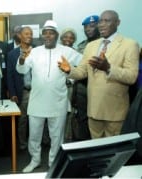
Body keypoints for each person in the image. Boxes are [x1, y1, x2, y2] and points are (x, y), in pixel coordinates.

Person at [58, 10, 140, 139]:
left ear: (117, 23)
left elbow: (132, 77)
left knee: (113, 151)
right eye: (100, 21)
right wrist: (69, 70)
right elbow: (82, 72)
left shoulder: (130, 45)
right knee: (96, 150)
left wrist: (108, 68)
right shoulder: (91, 46)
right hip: (93, 110)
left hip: (114, 111)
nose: (101, 24)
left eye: (107, 21)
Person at [16, 20, 82, 173]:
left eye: (51, 33)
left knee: (56, 136)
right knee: (34, 135)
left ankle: (53, 162)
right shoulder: (35, 51)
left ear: (56, 35)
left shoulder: (66, 51)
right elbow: (21, 70)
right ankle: (35, 160)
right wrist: (21, 59)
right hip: (37, 101)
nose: (47, 36)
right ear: (42, 35)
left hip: (57, 101)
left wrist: (71, 75)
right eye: (45, 33)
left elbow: (83, 63)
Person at [71, 15, 101, 141]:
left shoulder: (105, 44)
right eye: (86, 27)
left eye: (92, 26)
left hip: (98, 88)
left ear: (99, 26)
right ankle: (85, 147)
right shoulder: (81, 45)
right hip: (82, 87)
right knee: (82, 119)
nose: (88, 29)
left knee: (98, 119)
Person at [7, 26, 33, 150]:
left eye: (31, 34)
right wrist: (12, 93)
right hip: (22, 92)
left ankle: (40, 141)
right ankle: (22, 143)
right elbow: (10, 75)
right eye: (26, 34)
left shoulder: (37, 51)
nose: (29, 36)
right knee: (22, 120)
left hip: (37, 91)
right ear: (20, 36)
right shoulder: (12, 54)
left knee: (37, 118)